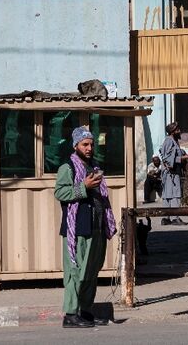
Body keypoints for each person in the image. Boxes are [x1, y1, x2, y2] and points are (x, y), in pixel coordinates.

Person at [54, 126, 117, 328]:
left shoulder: (93, 166)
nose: (89, 148)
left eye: (91, 144)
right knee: (75, 273)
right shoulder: (68, 167)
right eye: (85, 144)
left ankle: (86, 311)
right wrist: (84, 187)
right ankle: (71, 314)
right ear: (76, 146)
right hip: (78, 229)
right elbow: (60, 193)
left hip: (96, 228)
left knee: (91, 272)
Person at [159, 122, 188, 225]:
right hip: (171, 172)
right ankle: (174, 217)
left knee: (168, 194)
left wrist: (183, 153)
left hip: (171, 172)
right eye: (177, 130)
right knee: (175, 194)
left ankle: (166, 218)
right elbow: (168, 159)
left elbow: (173, 153)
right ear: (172, 132)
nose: (180, 132)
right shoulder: (169, 141)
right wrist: (184, 158)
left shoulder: (173, 141)